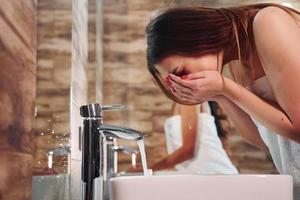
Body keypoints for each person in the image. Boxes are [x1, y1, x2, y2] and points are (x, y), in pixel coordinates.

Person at [146, 3, 300, 198]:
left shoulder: (268, 21)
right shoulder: (240, 60)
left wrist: (227, 88)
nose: (185, 81)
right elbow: (264, 141)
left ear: (194, 39)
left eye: (181, 72)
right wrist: (219, 94)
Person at [151, 102, 238, 174]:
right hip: (206, 173)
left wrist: (147, 170)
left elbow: (188, 151)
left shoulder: (188, 100)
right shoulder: (184, 101)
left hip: (213, 175)